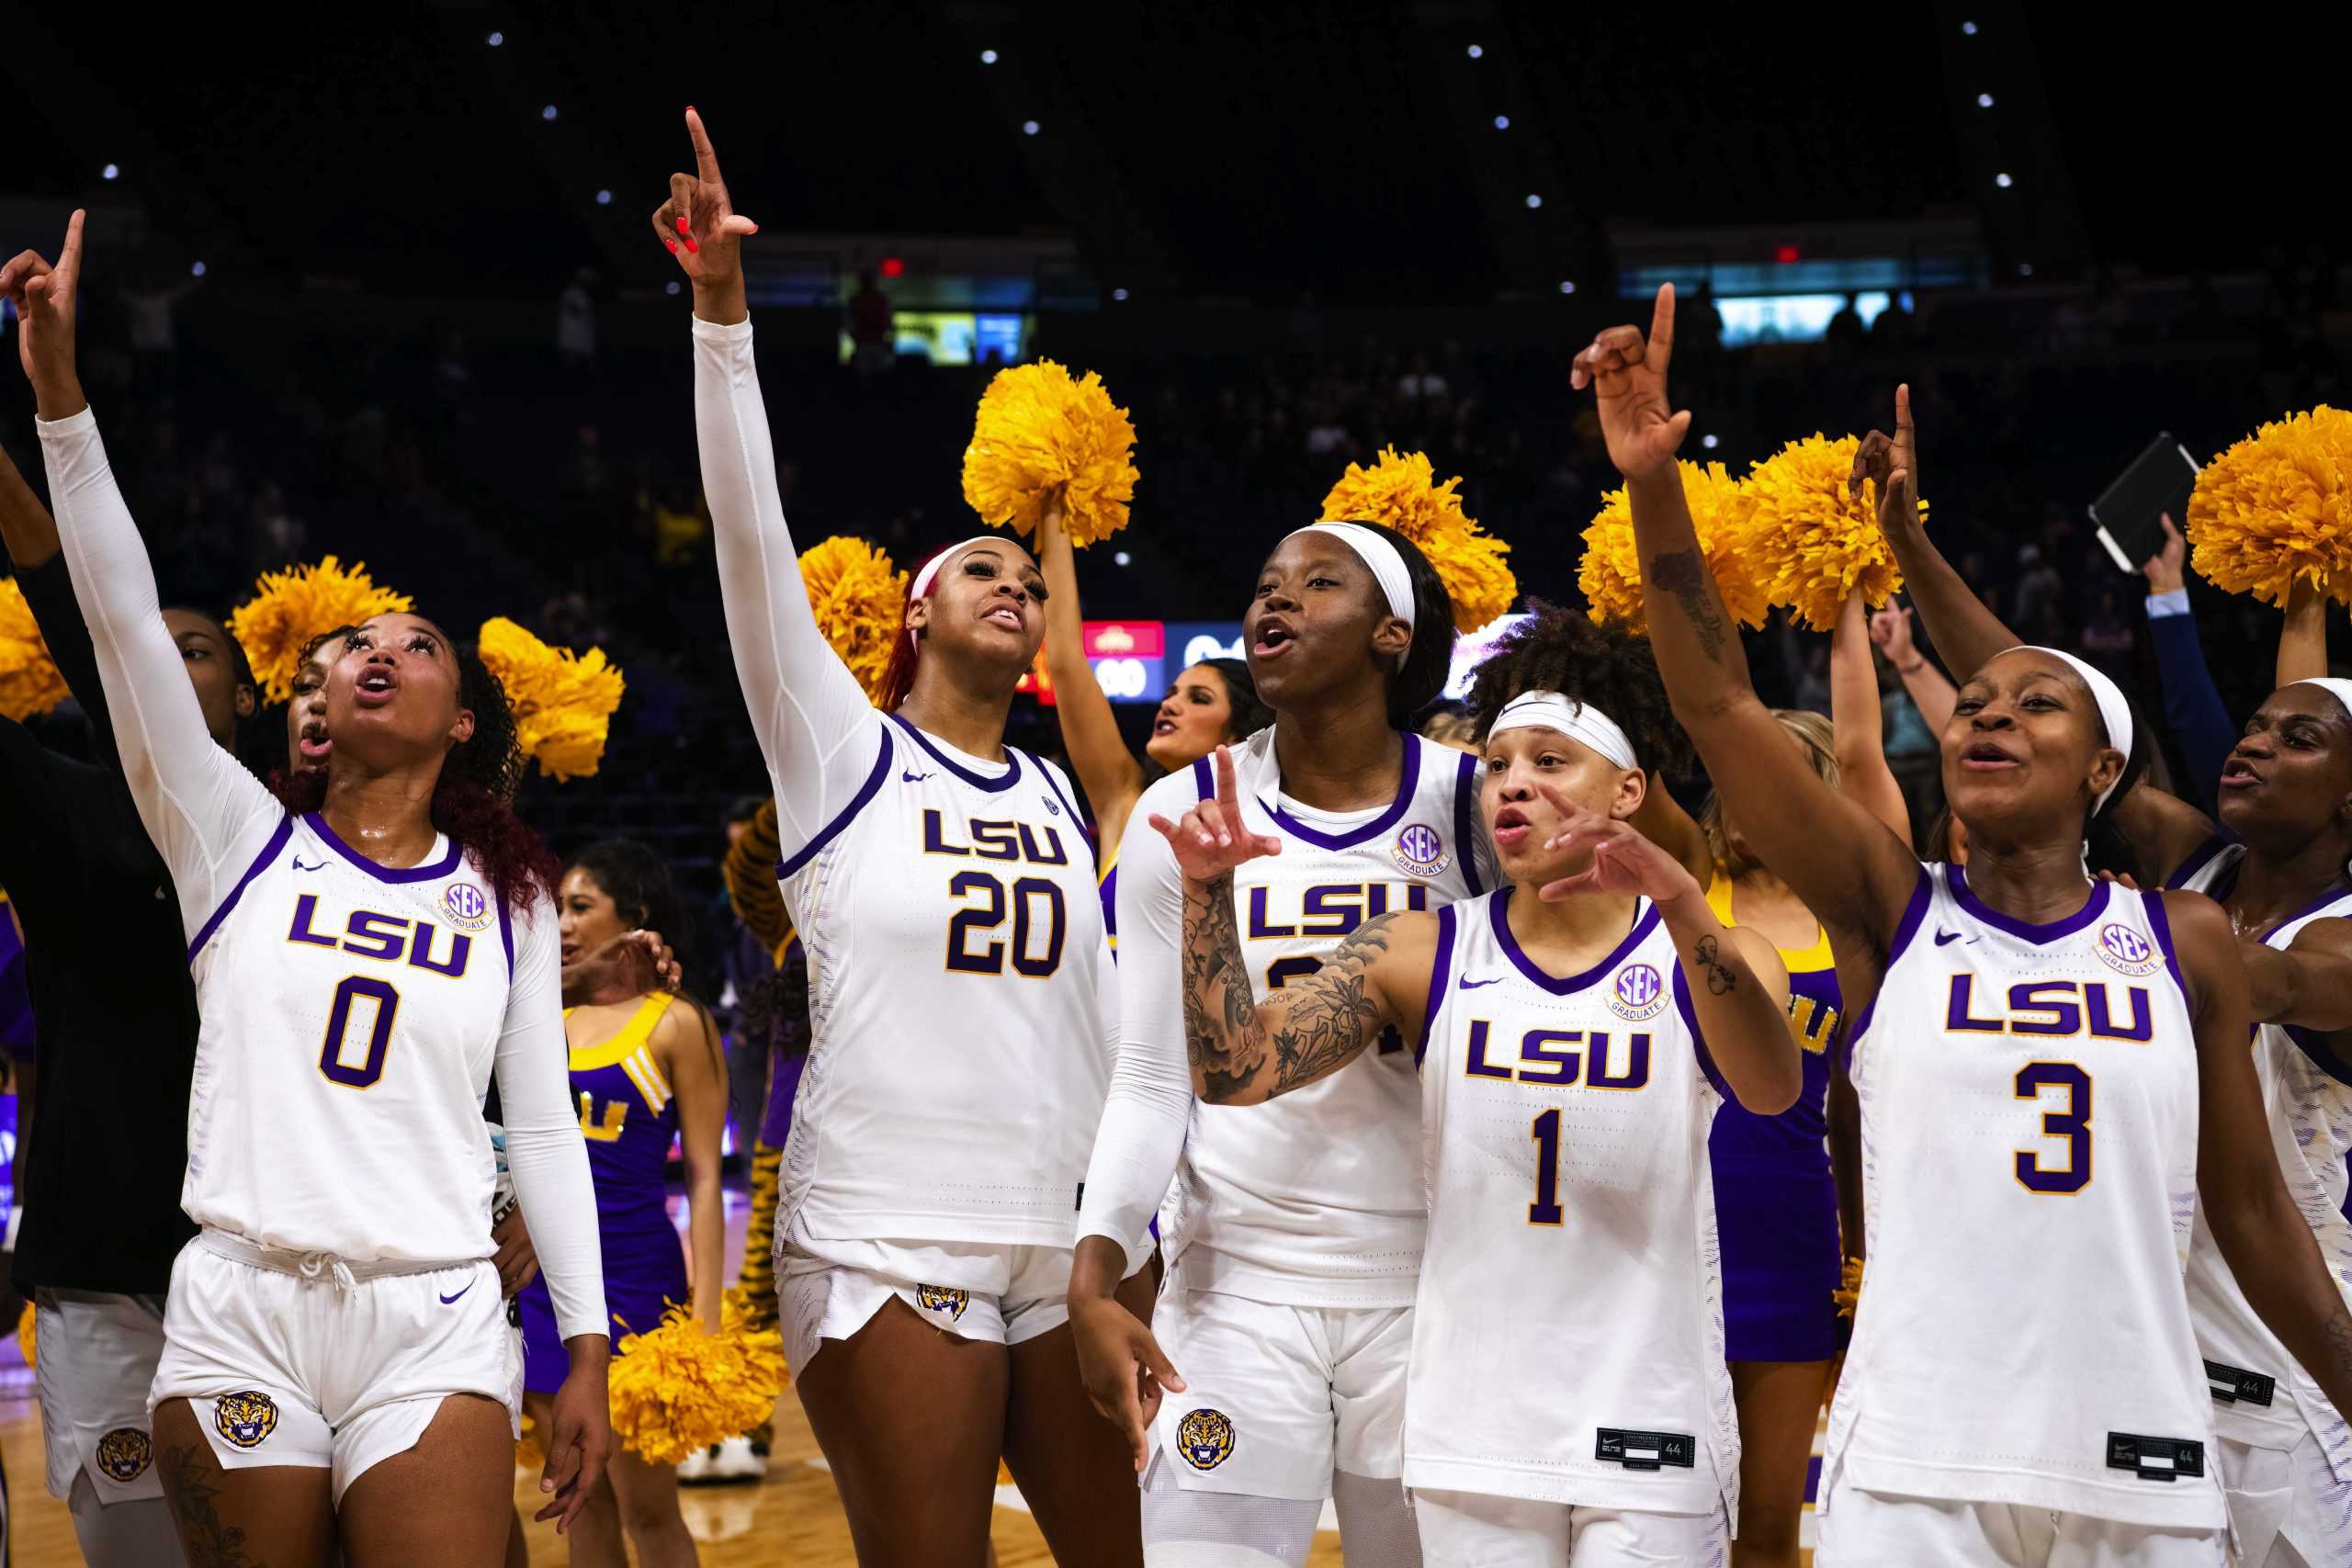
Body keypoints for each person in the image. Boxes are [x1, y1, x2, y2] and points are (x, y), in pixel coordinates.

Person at [1574, 284, 2352, 1565]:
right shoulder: (1890, 901)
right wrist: (1657, 484)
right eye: (1976, 699)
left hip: (2144, 1449)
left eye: (2038, 704)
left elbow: (2253, 1208)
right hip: (1917, 1453)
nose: (1990, 712)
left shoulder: (2185, 937)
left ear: (2106, 774)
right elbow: (1718, 704)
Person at [21, 209, 610, 1565]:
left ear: (466, 719)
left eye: (417, 643)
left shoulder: (508, 895)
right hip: (242, 1302)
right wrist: (63, 401)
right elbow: (118, 620)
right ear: (318, 709)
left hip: (437, 1310)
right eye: (353, 646)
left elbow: (545, 1128)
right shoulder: (232, 836)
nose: (379, 652)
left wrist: (584, 1343)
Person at [657, 110, 1148, 1564]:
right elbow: (750, 544)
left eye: (1025, 570)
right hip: (886, 1234)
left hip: (1064, 1241)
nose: (1011, 583)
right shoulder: (842, 750)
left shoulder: (1065, 790)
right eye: (976, 566)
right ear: (915, 612)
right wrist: (723, 319)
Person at [1146, 604, 1800, 1564]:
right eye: (1496, 763)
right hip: (1473, 1428)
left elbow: (1771, 1088)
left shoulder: (1712, 952)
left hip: (1649, 1413)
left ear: (1625, 789)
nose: (1512, 786)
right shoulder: (1426, 947)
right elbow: (1235, 1071)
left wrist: (1685, 905)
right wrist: (1206, 899)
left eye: (1549, 761)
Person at [1859, 411, 2352, 1567]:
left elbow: (2248, 974)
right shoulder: (2197, 864)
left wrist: (2139, 944)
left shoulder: (2265, 936)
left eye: (2294, 740)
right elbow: (2054, 701)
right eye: (2256, 728)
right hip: (2142, 1347)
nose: (2249, 743)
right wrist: (1910, 546)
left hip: (2287, 1361)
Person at [1070, 513, 1492, 1567]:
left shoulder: (1477, 808)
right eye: (1266, 583)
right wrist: (1095, 1274)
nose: (1276, 598)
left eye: (1316, 584)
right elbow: (1150, 1077)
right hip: (1235, 1281)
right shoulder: (1181, 809)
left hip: (1433, 1282)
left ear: (1392, 633)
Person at [1631, 588, 1906, 1568]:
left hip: (1803, 1230)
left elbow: (1868, 751)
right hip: (1676, 1226)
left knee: (1767, 1524)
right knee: (1658, 1511)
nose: (1751, 800)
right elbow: (1645, 746)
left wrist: (1845, 607)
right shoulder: (1687, 875)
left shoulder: (1860, 908)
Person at [514, 840, 726, 1568]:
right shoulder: (542, 1016)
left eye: (582, 906)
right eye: (559, 909)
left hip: (637, 1284)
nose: (564, 923)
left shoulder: (677, 1021)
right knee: (581, 1503)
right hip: (542, 1286)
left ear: (632, 916)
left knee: (648, 1510)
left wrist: (705, 1313)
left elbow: (703, 1175)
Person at [1034, 500, 1272, 953]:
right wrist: (1054, 502)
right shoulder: (1127, 803)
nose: (1171, 705)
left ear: (1239, 734)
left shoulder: (1268, 829)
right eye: (1170, 695)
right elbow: (1064, 662)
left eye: (1198, 698)